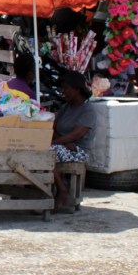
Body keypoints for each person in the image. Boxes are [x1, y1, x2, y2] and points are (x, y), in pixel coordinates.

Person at [51, 71, 97, 210]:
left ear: (77, 89)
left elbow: (77, 134)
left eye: (66, 88)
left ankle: (62, 190)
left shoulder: (88, 110)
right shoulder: (66, 107)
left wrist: (56, 142)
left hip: (78, 150)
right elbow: (54, 127)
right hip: (64, 145)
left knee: (47, 153)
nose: (63, 92)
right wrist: (64, 142)